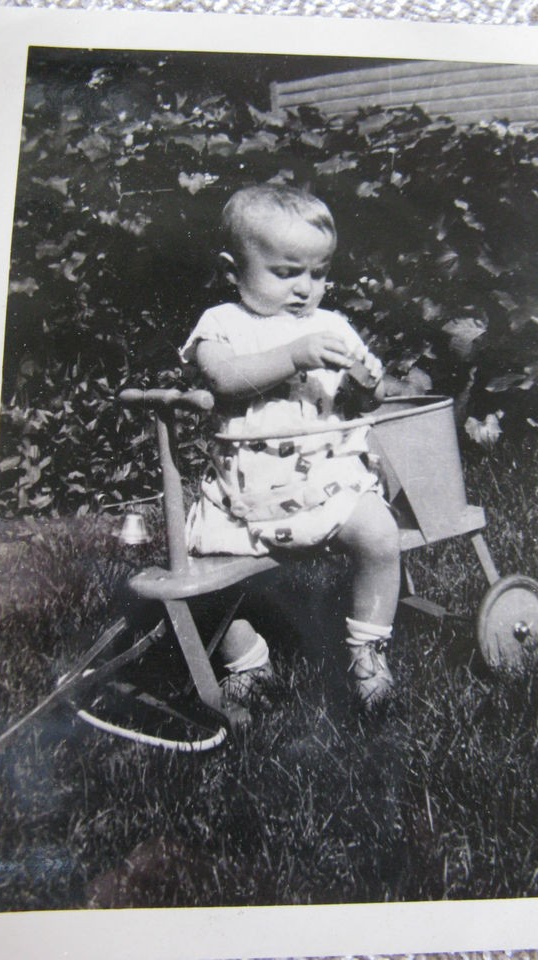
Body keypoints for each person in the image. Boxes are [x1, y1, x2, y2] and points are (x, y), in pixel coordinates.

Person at [180, 184, 401, 710]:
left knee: (379, 532)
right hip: (243, 490)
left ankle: (366, 650)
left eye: (319, 273)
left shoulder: (330, 325)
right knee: (203, 573)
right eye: (286, 273)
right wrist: (295, 355)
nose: (305, 289)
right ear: (233, 270)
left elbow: (373, 393)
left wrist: (369, 380)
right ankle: (247, 659)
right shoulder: (222, 324)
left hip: (323, 476)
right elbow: (225, 380)